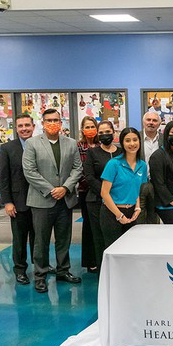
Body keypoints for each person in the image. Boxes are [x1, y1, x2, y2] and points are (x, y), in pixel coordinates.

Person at [22, 108, 83, 293]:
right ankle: (40, 275)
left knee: (64, 239)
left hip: (65, 200)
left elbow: (77, 169)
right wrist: (51, 190)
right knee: (41, 241)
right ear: (42, 123)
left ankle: (63, 270)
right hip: (41, 201)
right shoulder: (32, 143)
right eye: (48, 120)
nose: (52, 123)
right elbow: (29, 171)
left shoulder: (71, 143)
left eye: (56, 120)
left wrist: (65, 188)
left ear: (61, 122)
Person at [0, 114, 35, 285]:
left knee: (39, 237)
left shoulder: (40, 145)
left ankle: (41, 265)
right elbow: (3, 178)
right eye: (20, 126)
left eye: (27, 125)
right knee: (19, 238)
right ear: (16, 128)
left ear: (33, 126)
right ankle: (20, 269)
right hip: (18, 203)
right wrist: (8, 202)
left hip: (39, 202)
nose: (24, 128)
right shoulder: (7, 148)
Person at [83, 120, 122, 271]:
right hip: (96, 201)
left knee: (117, 236)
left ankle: (118, 269)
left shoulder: (120, 153)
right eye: (101, 133)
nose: (105, 135)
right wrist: (105, 193)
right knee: (99, 237)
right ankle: (103, 270)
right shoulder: (92, 153)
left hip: (119, 201)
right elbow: (89, 176)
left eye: (107, 132)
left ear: (114, 133)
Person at [100, 127, 147, 248]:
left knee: (130, 249)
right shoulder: (114, 164)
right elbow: (104, 193)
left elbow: (136, 190)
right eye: (128, 140)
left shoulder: (142, 165)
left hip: (131, 213)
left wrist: (137, 207)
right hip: (112, 213)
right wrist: (119, 215)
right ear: (122, 143)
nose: (132, 144)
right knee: (113, 249)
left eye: (135, 140)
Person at [76, 116, 99, 273]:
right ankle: (90, 260)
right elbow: (78, 169)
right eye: (87, 126)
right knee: (89, 226)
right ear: (82, 129)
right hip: (86, 191)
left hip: (103, 192)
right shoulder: (77, 147)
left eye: (92, 126)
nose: (90, 129)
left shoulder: (101, 145)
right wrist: (91, 183)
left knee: (100, 226)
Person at [139, 111, 162, 224]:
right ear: (143, 122)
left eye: (154, 120)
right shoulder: (135, 138)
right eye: (148, 120)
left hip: (157, 184)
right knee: (138, 215)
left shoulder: (164, 140)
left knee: (154, 216)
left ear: (159, 123)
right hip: (139, 183)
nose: (151, 123)